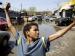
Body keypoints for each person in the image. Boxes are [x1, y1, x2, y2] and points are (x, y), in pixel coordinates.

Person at [4, 4, 75, 56]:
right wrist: (6, 11)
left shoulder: (42, 41)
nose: (38, 32)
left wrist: (73, 23)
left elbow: (59, 34)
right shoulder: (20, 40)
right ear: (27, 32)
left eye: (38, 30)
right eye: (35, 30)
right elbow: (10, 25)